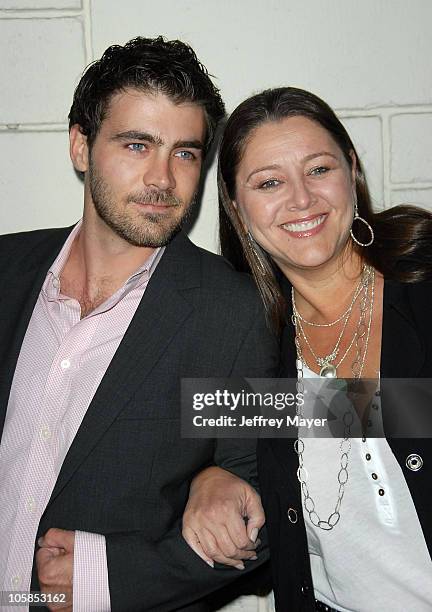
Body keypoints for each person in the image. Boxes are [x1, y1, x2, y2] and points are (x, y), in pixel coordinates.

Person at [0, 37, 280, 612]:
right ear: (81, 146)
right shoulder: (6, 272)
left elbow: (268, 513)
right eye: (136, 145)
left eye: (185, 153)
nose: (163, 179)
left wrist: (113, 576)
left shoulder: (228, 313)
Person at [182, 87, 432, 611]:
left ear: (352, 170)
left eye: (319, 169)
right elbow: (192, 430)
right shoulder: (249, 338)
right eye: (269, 182)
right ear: (235, 205)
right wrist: (210, 474)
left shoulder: (422, 276)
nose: (301, 199)